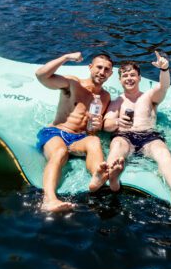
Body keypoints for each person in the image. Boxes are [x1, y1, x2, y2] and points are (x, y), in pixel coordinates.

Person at [104, 54, 171, 201]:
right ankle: (113, 179)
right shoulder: (117, 101)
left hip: (149, 136)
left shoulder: (149, 96)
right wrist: (117, 122)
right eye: (125, 75)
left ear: (140, 78)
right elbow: (106, 124)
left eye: (133, 75)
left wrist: (164, 69)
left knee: (162, 151)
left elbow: (164, 86)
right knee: (118, 145)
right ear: (120, 80)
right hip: (124, 137)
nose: (129, 78)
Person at [35, 52, 114, 212]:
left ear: (110, 74)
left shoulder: (105, 97)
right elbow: (41, 75)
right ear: (90, 67)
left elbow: (92, 131)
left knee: (94, 141)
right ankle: (49, 200)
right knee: (60, 152)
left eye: (106, 70)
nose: (102, 72)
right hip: (56, 132)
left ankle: (97, 176)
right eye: (99, 67)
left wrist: (96, 127)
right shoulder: (73, 83)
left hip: (79, 138)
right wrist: (65, 58)